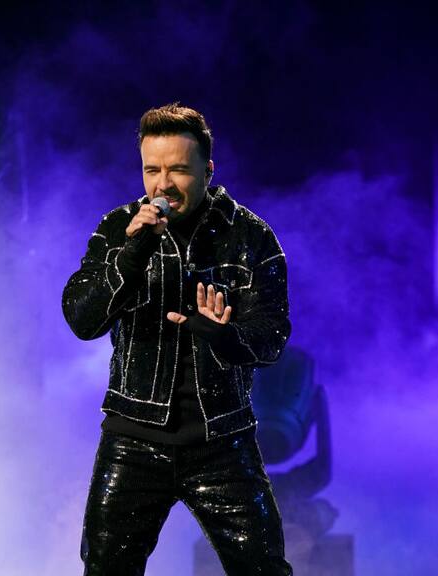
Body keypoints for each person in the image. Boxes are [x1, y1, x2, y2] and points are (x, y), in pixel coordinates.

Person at [62, 103, 293, 576]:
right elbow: (82, 320)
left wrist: (225, 337)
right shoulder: (116, 230)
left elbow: (272, 338)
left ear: (208, 170)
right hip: (133, 441)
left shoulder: (251, 237)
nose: (162, 185)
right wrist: (132, 253)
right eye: (152, 170)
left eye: (178, 170)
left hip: (222, 443)